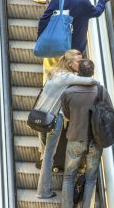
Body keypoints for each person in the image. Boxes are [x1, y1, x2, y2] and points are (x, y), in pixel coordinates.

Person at [57, 59, 114, 208]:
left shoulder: (69, 92)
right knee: (90, 179)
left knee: (69, 176)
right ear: (92, 72)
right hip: (95, 142)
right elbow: (109, 112)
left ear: (79, 72)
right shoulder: (101, 91)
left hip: (75, 138)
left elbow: (66, 113)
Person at [36, 50, 98, 199]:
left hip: (39, 117)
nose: (81, 64)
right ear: (70, 63)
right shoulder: (67, 77)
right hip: (52, 120)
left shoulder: (55, 72)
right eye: (79, 62)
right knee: (49, 156)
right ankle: (43, 191)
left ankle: (43, 189)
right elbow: (91, 82)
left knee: (46, 154)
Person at [38, 0, 112, 82]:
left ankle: (47, 90)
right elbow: (97, 12)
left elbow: (43, 20)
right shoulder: (83, 2)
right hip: (74, 50)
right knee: (70, 75)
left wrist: (42, 39)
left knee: (50, 73)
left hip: (55, 45)